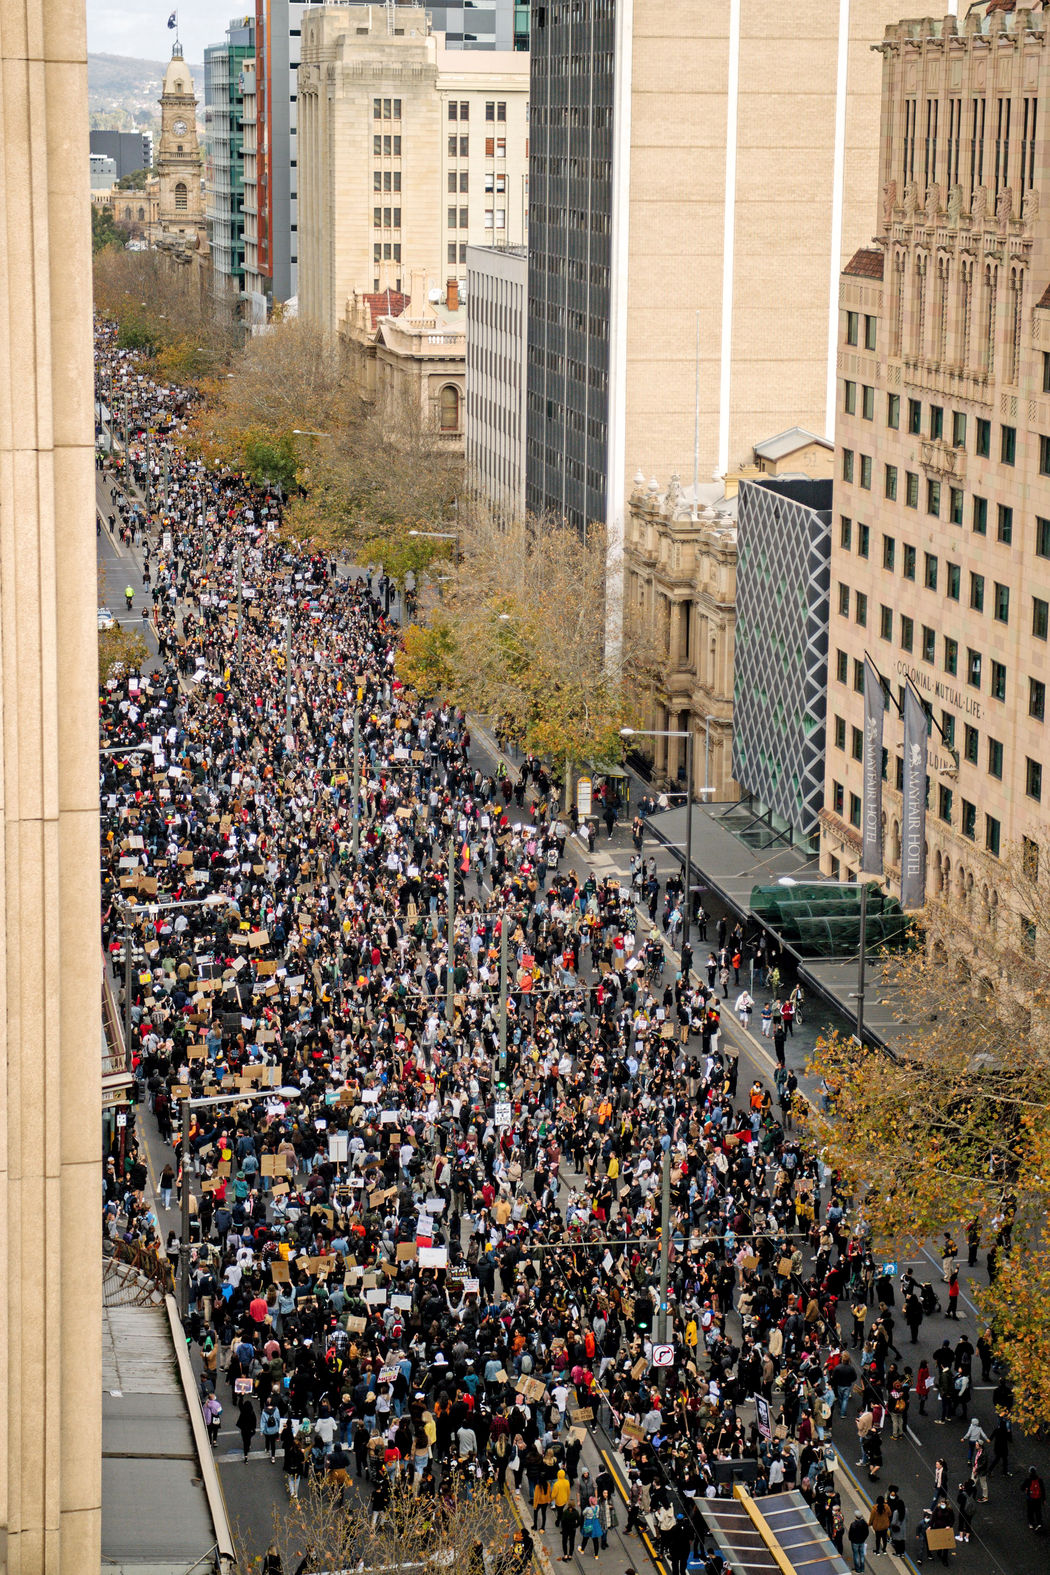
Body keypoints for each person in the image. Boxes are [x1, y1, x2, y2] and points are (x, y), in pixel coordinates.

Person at [1023, 1466, 1046, 1530]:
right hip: (1038, 1498)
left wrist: (1026, 1489)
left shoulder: (1028, 1480)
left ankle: (1031, 1523)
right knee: (1038, 1511)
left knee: (1030, 1511)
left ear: (1029, 1472)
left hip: (1030, 1498)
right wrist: (1044, 1499)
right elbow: (1043, 1490)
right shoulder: (1039, 1480)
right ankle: (1039, 1523)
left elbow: (1022, 1488)